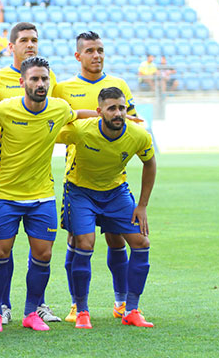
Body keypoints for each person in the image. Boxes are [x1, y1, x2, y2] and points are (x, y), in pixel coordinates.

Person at [52, 31, 138, 322]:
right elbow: (52, 122)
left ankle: (121, 302)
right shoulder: (63, 88)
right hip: (79, 179)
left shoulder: (119, 85)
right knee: (78, 241)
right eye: (90, 50)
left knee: (117, 241)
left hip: (115, 180)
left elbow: (134, 122)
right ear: (78, 56)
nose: (97, 55)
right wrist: (93, 115)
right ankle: (77, 305)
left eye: (100, 49)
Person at [56, 86, 156, 329]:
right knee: (85, 243)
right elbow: (46, 132)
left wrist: (141, 206)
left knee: (141, 243)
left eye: (122, 108)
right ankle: (81, 311)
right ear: (99, 111)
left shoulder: (138, 135)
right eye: (112, 108)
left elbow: (150, 164)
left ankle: (130, 309)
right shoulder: (81, 130)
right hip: (80, 191)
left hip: (116, 192)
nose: (118, 113)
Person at [0, 22, 59, 324]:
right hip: (6, 181)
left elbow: (70, 114)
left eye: (34, 40)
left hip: (41, 187)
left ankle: (35, 307)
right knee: (2, 250)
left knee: (42, 252)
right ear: (11, 45)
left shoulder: (53, 94)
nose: (30, 44)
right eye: (24, 40)